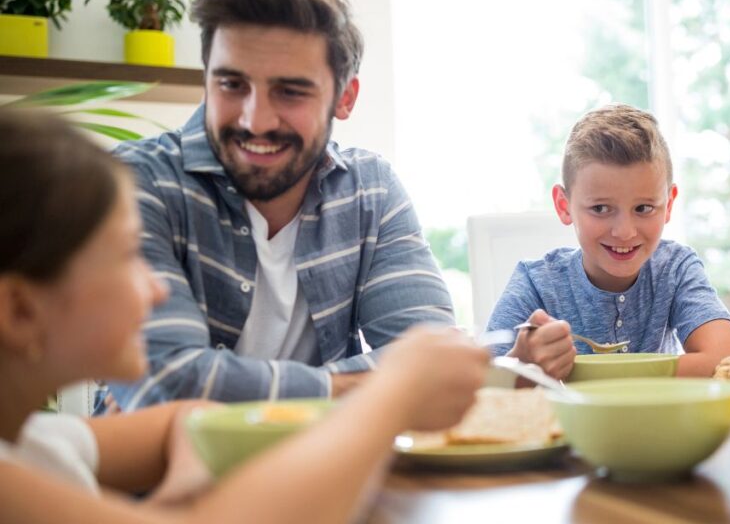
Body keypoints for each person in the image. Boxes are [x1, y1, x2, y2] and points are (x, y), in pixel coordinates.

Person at [0, 110, 490, 523]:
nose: (157, 287)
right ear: (20, 311)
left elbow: (186, 414)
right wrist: (391, 393)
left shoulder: (37, 443)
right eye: (129, 256)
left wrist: (186, 484)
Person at [108, 0, 455, 411]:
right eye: (232, 85)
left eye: (290, 92)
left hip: (327, 468)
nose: (256, 120)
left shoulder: (372, 192)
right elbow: (163, 384)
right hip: (154, 478)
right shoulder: (134, 183)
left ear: (345, 98)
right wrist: (360, 387)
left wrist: (222, 386)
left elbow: (431, 357)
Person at [487, 104, 730, 379]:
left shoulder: (675, 268)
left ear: (668, 204)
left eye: (643, 208)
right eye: (600, 209)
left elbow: (725, 360)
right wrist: (522, 365)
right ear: (564, 205)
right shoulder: (536, 282)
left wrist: (597, 376)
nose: (624, 232)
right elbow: (482, 386)